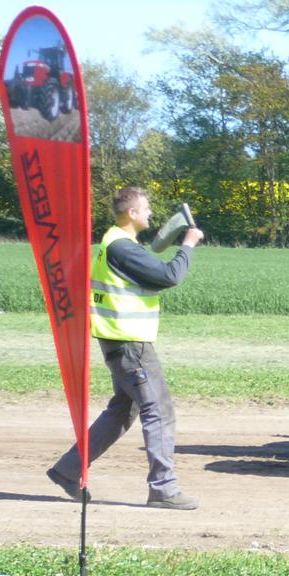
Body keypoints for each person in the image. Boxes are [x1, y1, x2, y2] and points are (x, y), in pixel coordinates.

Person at [46, 186, 204, 510]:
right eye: (146, 209)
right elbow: (169, 275)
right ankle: (163, 489)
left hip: (119, 341)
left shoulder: (115, 244)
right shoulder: (122, 247)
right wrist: (187, 245)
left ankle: (68, 469)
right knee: (159, 410)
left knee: (122, 411)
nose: (150, 214)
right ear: (131, 213)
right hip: (131, 344)